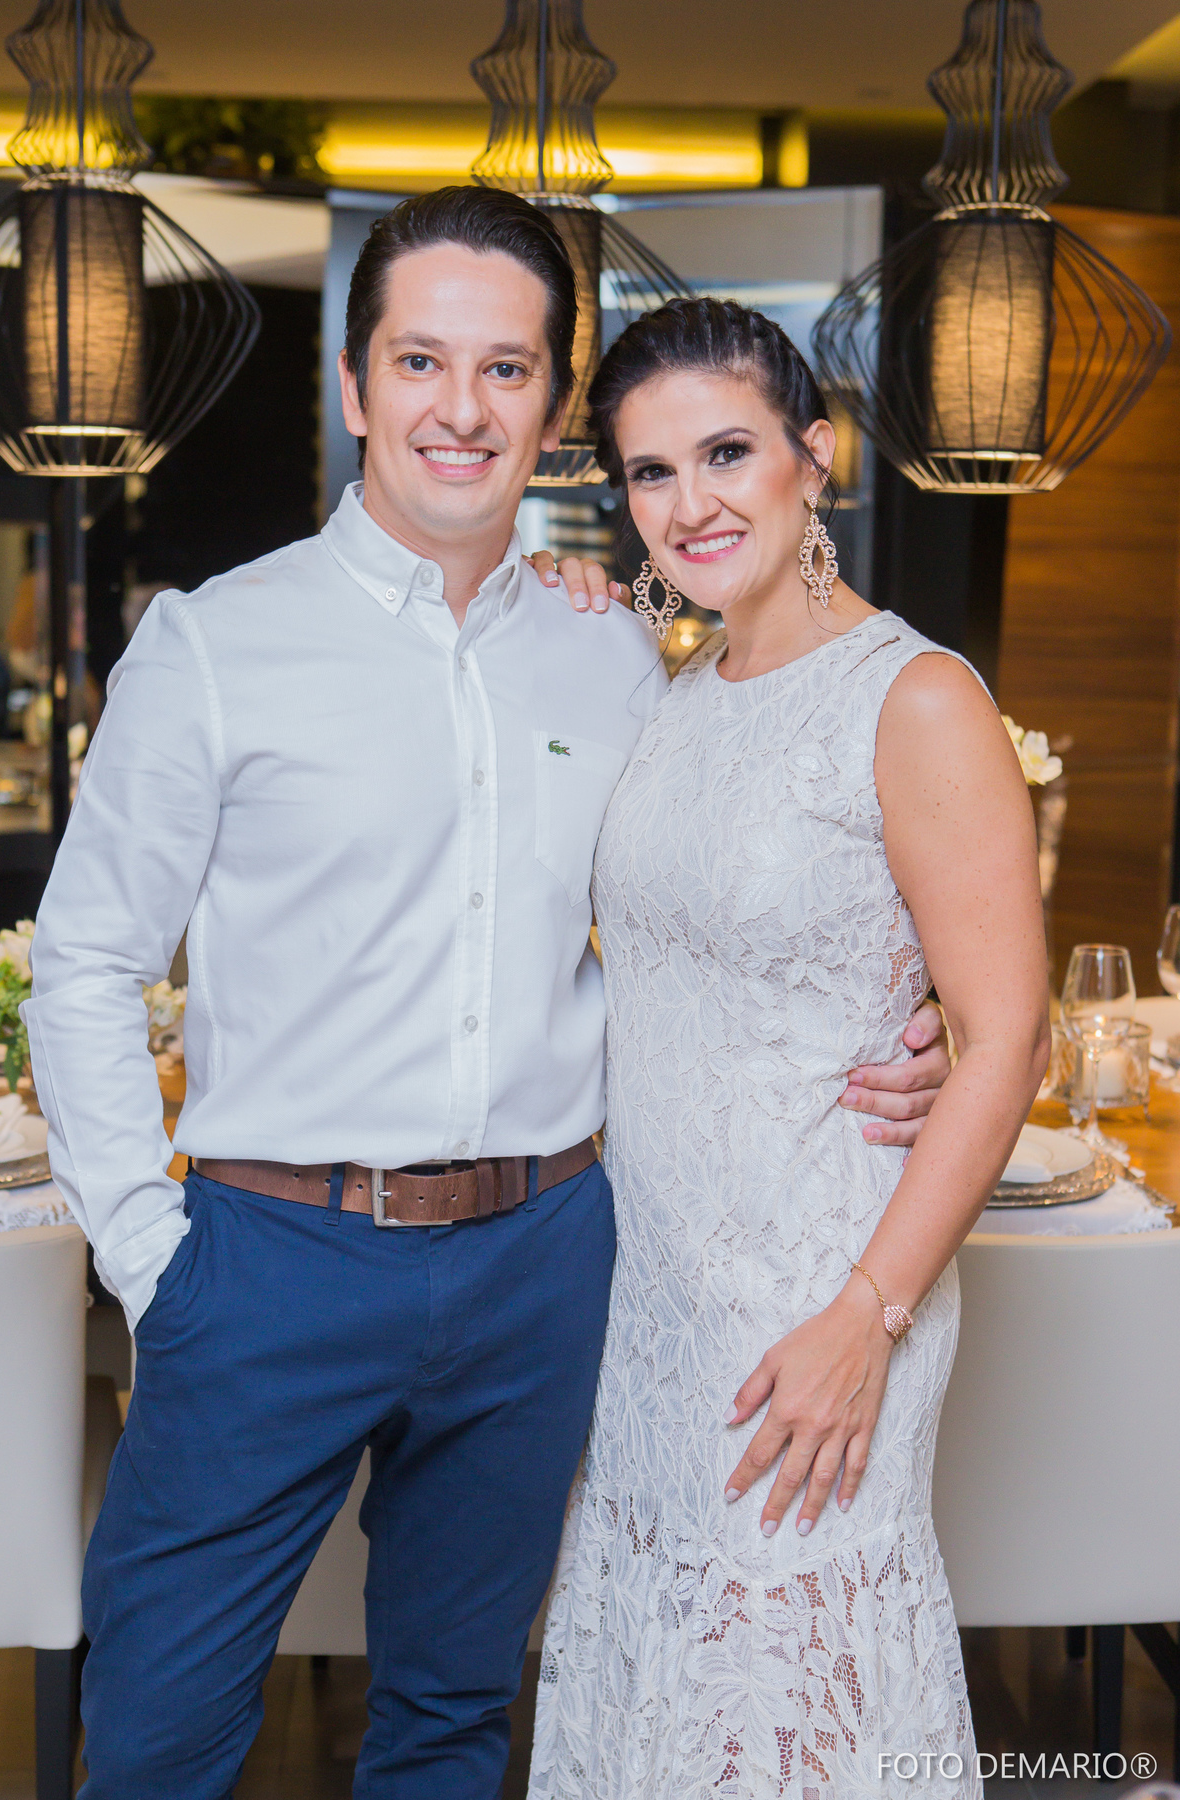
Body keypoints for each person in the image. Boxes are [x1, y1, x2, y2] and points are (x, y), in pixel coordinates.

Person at [24, 193, 949, 1799]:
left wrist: (909, 1006)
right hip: (268, 1260)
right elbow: (88, 962)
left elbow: (728, 885)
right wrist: (151, 1262)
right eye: (422, 361)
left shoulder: (620, 653)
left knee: (453, 1725)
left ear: (551, 406)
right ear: (354, 383)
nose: (462, 406)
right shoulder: (215, 645)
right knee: (159, 1741)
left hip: (541, 1263)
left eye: (507, 367)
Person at [528, 298, 1051, 1800]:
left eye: (727, 454)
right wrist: (559, 596)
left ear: (814, 458)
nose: (689, 504)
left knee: (789, 1703)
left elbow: (1006, 1032)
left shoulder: (915, 696)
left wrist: (867, 1318)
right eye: (649, 472)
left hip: (820, 1295)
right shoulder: (671, 690)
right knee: (661, 1686)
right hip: (653, 1298)